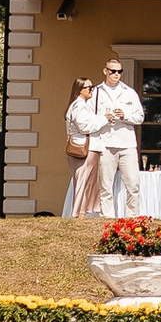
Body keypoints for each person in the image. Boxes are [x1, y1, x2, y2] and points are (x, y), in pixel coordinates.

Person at [92, 59, 145, 218]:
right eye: (112, 71)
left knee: (133, 184)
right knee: (105, 186)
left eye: (119, 72)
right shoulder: (96, 92)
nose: (116, 75)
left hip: (126, 142)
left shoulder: (129, 92)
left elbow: (140, 117)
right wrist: (103, 117)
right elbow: (89, 117)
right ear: (105, 71)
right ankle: (107, 219)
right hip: (105, 142)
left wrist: (125, 115)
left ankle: (132, 219)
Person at [64, 75, 102, 219]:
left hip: (83, 147)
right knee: (83, 181)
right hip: (84, 149)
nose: (91, 90)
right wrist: (104, 119)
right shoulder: (79, 106)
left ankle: (82, 212)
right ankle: (79, 213)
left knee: (85, 181)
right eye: (88, 88)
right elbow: (85, 126)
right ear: (80, 90)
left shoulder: (79, 105)